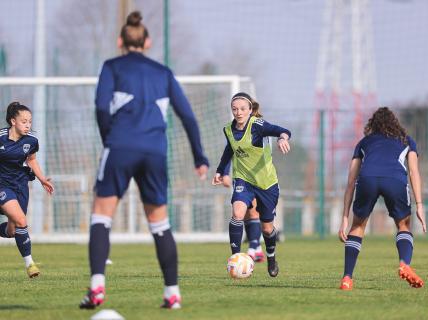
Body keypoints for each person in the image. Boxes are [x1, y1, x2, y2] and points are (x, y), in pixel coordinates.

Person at [79, 11, 209, 310]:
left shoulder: (112, 66)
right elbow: (187, 115)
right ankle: (172, 293)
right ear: (147, 42)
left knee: (101, 215)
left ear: (119, 41)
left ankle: (97, 287)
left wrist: (108, 137)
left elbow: (100, 107)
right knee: (159, 222)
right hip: (155, 151)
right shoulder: (163, 72)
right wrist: (199, 157)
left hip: (120, 146)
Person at [338, 107, 426, 290]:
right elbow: (414, 172)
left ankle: (347, 278)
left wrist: (345, 219)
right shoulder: (407, 141)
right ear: (395, 123)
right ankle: (404, 264)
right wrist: (419, 205)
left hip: (367, 178)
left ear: (373, 125)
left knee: (358, 227)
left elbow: (351, 181)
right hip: (394, 179)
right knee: (403, 225)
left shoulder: (364, 142)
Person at [212, 92, 291, 277]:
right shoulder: (228, 129)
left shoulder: (258, 126)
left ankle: (271, 258)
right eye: (234, 109)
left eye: (242, 109)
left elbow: (282, 130)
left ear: (250, 110)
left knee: (267, 228)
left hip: (266, 183)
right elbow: (229, 150)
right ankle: (235, 258)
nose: (238, 112)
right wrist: (221, 171)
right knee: (237, 213)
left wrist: (282, 138)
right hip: (243, 180)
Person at [0, 102, 54, 278]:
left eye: (29, 121)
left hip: (21, 185)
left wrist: (42, 179)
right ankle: (30, 264)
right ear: (12, 121)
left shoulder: (31, 140)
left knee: (13, 230)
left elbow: (31, 160)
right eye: (24, 121)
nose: (28, 125)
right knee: (22, 220)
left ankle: (11, 231)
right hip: (2, 185)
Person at [220, 171, 265, 262]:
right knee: (244, 214)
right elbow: (228, 156)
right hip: (240, 175)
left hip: (257, 175)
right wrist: (225, 173)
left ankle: (252, 250)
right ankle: (257, 248)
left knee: (253, 212)